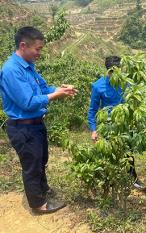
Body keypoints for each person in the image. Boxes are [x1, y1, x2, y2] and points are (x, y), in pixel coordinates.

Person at [0, 26, 77, 214]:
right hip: (22, 128)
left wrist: (61, 89)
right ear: (23, 45)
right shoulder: (11, 70)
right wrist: (55, 96)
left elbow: (43, 88)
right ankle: (38, 204)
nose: (39, 53)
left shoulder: (28, 67)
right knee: (32, 165)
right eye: (38, 49)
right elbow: (27, 102)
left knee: (41, 160)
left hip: (35, 125)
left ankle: (42, 190)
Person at [87, 56, 144, 189]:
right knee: (110, 153)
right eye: (113, 72)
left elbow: (135, 102)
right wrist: (94, 129)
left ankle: (133, 178)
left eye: (118, 71)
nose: (116, 75)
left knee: (128, 153)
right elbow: (92, 110)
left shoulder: (127, 82)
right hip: (108, 126)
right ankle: (111, 180)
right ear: (108, 71)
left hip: (125, 124)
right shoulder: (98, 86)